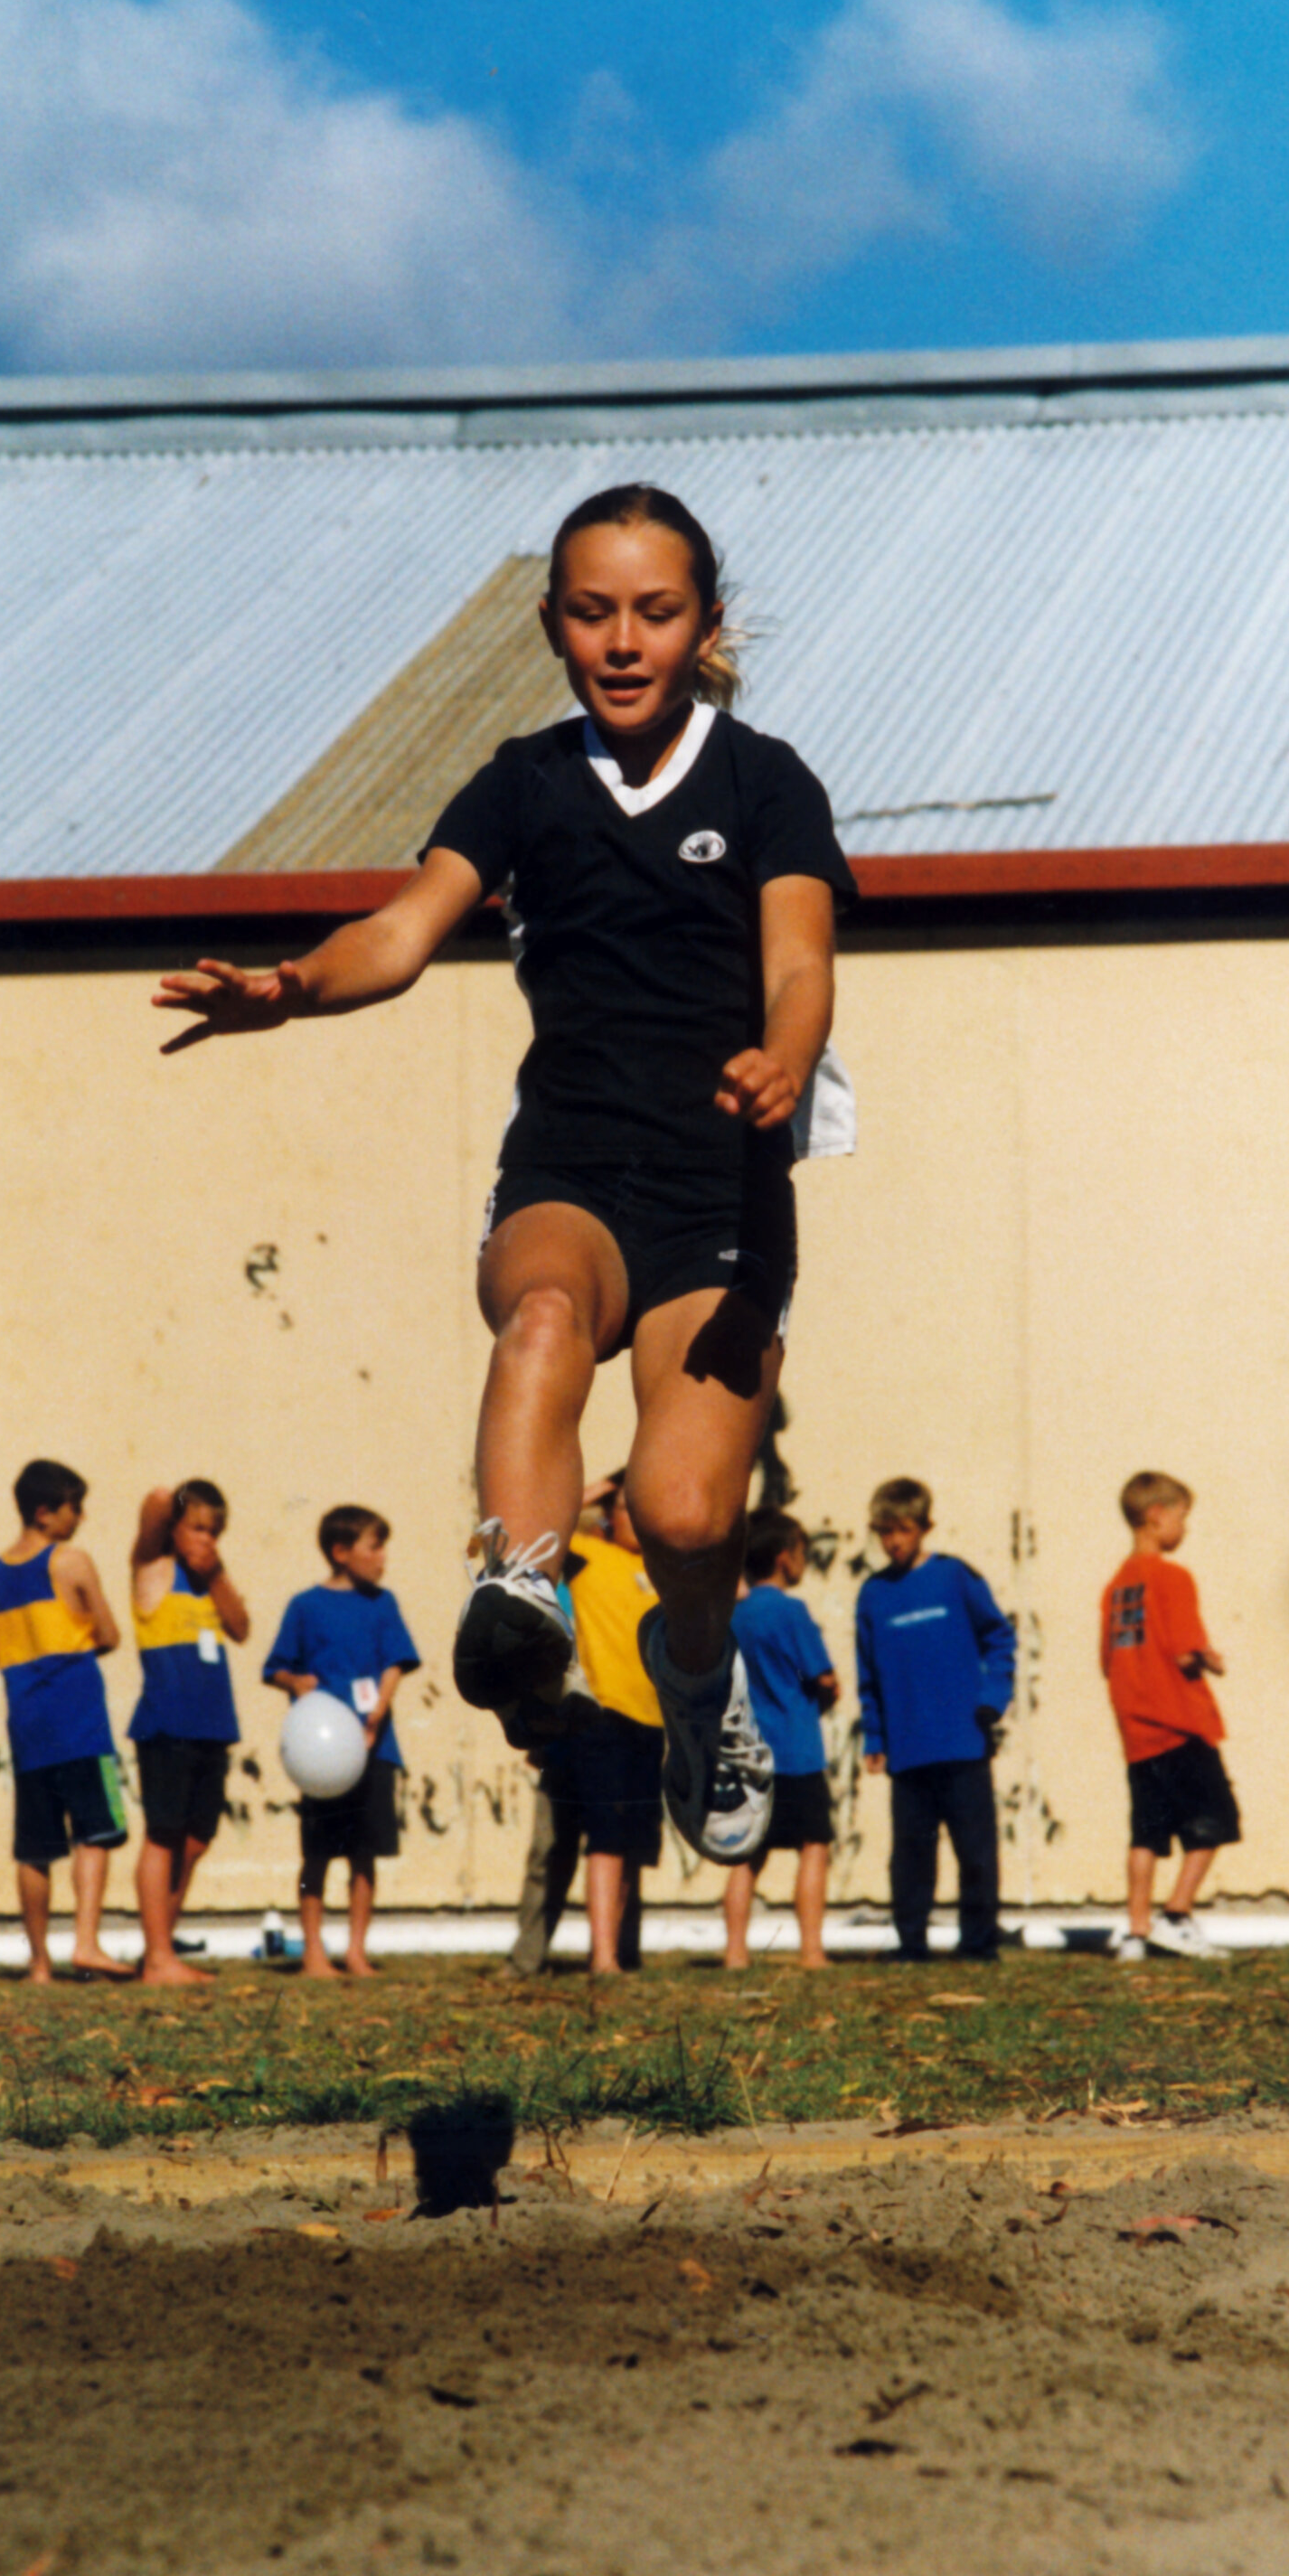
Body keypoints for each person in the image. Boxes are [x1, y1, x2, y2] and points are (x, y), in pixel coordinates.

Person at [152, 484, 857, 1869]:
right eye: (592, 611)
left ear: (703, 622)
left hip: (722, 1189)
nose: (623, 638)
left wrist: (784, 1055)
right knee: (539, 1317)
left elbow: (801, 958)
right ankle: (520, 1589)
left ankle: (696, 1669)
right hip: (568, 1171)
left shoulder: (763, 778)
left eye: (655, 611)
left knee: (683, 1513)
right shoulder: (524, 782)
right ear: (550, 624)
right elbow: (404, 930)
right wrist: (291, 987)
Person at [0, 1459, 130, 1983]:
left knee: (35, 1847)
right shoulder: (72, 1561)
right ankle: (86, 1942)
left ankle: (39, 1963)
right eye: (73, 1507)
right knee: (96, 1833)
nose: (80, 1518)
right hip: (79, 1717)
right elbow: (109, 1634)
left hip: (29, 1725)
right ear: (45, 1512)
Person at [856, 1477, 1015, 1964]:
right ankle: (910, 1941)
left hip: (963, 1742)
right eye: (884, 1532)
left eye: (901, 1530)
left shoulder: (955, 1577)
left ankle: (978, 1942)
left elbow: (1000, 1638)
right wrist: (876, 1737)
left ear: (925, 1527)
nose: (893, 1541)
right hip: (907, 1748)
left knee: (976, 1851)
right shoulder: (874, 1594)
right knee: (910, 1856)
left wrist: (992, 1698)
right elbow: (869, 1676)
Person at [263, 1504, 420, 1979]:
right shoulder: (304, 1606)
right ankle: (313, 1951)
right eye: (375, 1547)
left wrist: (379, 1710)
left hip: (373, 1748)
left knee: (364, 1853)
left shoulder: (383, 1603)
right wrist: (296, 1684)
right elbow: (276, 1668)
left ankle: (355, 1950)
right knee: (318, 1852)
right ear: (341, 1551)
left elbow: (396, 1661)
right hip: (322, 1757)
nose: (383, 1557)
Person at [1099, 1471, 1240, 1962]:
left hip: (1136, 1731)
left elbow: (1106, 1661)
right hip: (1179, 1725)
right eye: (1182, 1516)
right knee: (1216, 1821)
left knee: (1147, 1833)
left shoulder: (1116, 1587)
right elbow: (1184, 1651)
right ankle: (1176, 1916)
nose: (1185, 1527)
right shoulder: (1172, 1577)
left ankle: (1136, 1932)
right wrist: (1211, 1658)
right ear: (1156, 1516)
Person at [542, 1471, 666, 1979]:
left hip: (651, 1720)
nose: (640, 1519)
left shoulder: (658, 1571)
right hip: (605, 1717)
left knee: (635, 1843)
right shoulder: (589, 1555)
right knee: (608, 1838)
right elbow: (543, 1516)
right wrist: (608, 1485)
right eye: (630, 1510)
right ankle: (603, 1958)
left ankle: (622, 1950)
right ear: (610, 1518)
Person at [128, 1479, 249, 1986]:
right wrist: (174, 1507)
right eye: (198, 1529)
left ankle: (161, 1946)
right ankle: (159, 1958)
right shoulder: (153, 1571)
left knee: (197, 1839)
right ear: (175, 1530)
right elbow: (154, 1503)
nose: (207, 1540)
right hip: (167, 1724)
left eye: (215, 1531)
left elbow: (241, 1627)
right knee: (163, 1835)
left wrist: (216, 1571)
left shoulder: (209, 1581)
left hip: (212, 1727)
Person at [724, 1506, 839, 1969]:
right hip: (796, 1751)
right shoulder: (792, 1611)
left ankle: (735, 1952)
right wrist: (825, 1695)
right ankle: (811, 1950)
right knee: (814, 1845)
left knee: (745, 1855)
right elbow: (824, 1678)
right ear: (785, 1557)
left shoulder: (735, 1615)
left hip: (748, 1750)